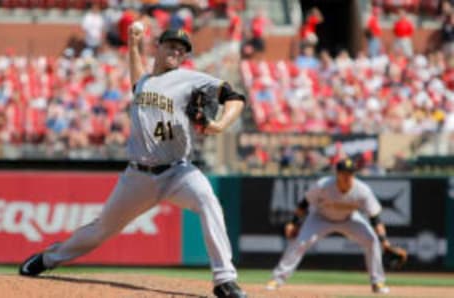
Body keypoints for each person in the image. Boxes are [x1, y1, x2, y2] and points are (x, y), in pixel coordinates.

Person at [19, 26, 247, 298]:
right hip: (138, 177)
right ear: (158, 47)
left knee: (208, 200)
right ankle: (47, 259)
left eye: (182, 49)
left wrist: (220, 124)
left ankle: (224, 280)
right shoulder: (145, 83)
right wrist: (133, 45)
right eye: (172, 45)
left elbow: (235, 97)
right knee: (101, 229)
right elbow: (138, 82)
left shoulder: (190, 78)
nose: (177, 51)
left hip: (178, 172)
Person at [266, 158, 391, 294]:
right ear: (337, 174)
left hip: (348, 219)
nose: (348, 177)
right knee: (300, 242)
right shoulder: (323, 185)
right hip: (320, 218)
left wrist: (383, 240)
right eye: (344, 173)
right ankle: (277, 279)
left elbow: (375, 219)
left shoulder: (362, 190)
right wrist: (293, 222)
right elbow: (304, 203)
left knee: (371, 240)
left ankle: (377, 282)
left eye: (350, 173)